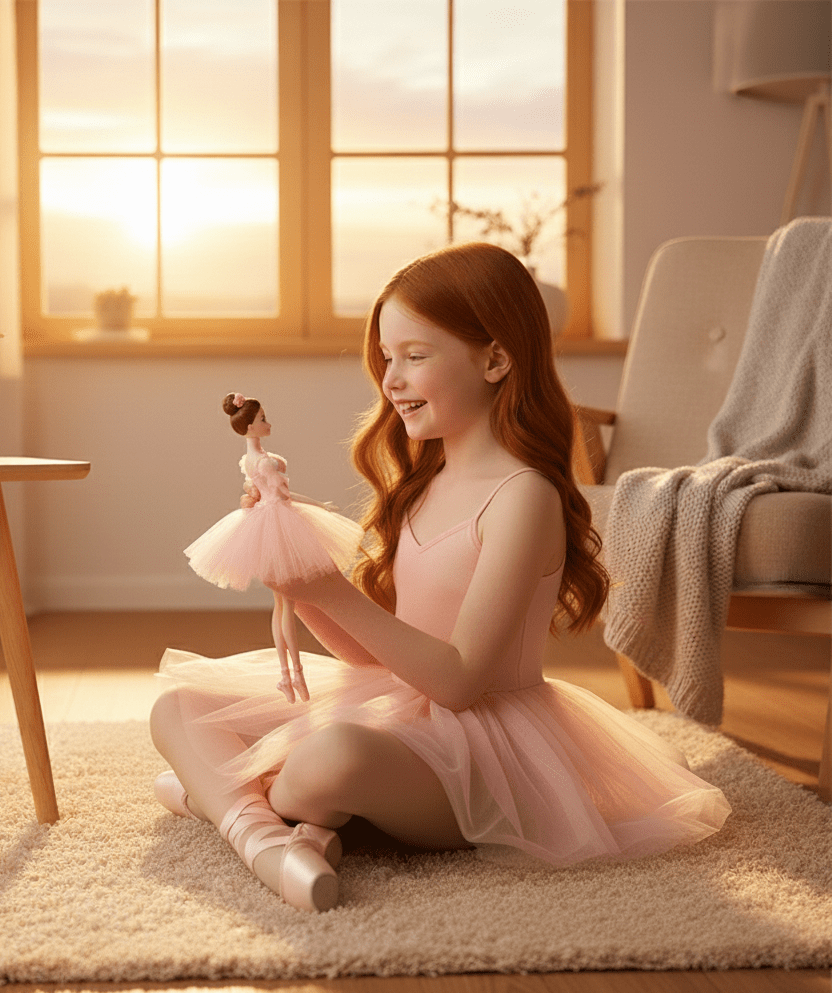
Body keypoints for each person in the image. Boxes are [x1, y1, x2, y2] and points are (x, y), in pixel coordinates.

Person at [151, 243, 731, 913]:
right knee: (179, 703)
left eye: (415, 356)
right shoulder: (424, 481)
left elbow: (457, 682)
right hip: (396, 711)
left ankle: (220, 799)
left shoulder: (524, 497)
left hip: (487, 752)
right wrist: (302, 578)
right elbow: (371, 656)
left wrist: (329, 588)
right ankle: (270, 837)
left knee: (331, 757)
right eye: (386, 359)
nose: (391, 380)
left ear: (494, 359)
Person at [183, 392, 364, 702]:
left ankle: (286, 676)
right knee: (287, 606)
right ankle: (296, 674)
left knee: (280, 604)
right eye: (263, 419)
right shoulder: (265, 461)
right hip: (278, 520)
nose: (268, 423)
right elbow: (286, 498)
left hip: (264, 520)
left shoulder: (249, 459)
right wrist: (321, 505)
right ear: (251, 427)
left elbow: (255, 488)